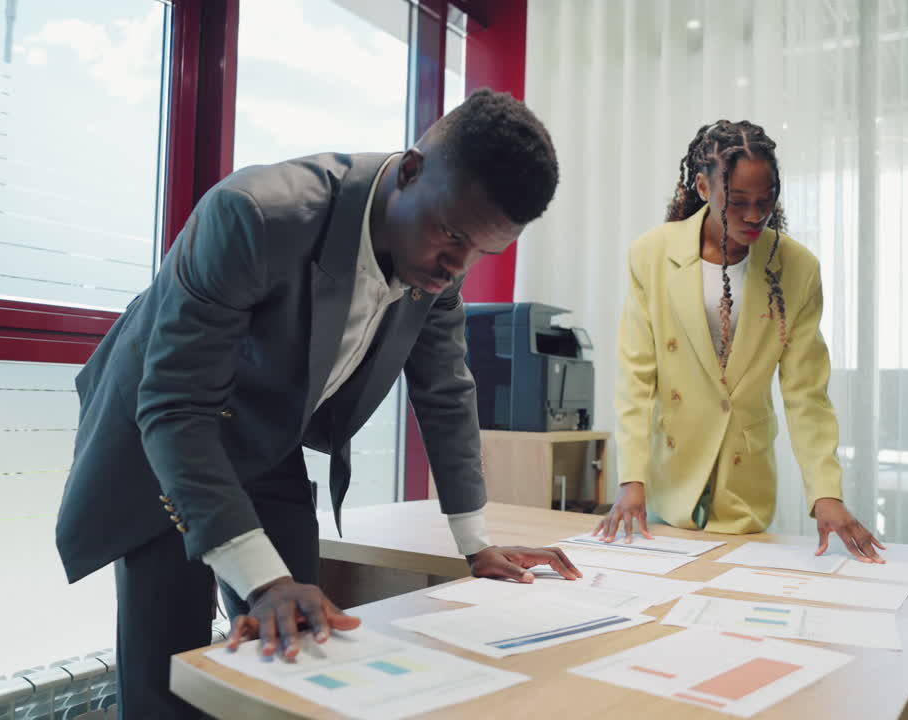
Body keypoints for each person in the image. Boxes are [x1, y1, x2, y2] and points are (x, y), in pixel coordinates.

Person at [56, 88, 582, 718]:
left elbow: (445, 389)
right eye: (452, 235)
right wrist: (265, 581)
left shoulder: (442, 257)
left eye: (482, 251)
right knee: (168, 676)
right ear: (410, 172)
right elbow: (174, 407)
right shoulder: (254, 213)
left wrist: (476, 544)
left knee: (304, 642)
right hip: (160, 436)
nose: (457, 265)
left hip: (263, 433)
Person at [596, 119, 885, 564]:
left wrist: (825, 493)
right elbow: (636, 379)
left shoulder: (797, 267)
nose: (753, 216)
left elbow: (806, 393)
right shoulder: (651, 254)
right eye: (737, 203)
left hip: (744, 483)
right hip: (667, 479)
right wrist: (630, 479)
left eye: (764, 202)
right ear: (703, 187)